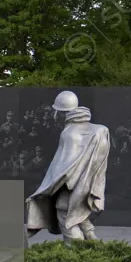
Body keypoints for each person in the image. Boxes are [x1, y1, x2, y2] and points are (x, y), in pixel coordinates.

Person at [25, 91, 109, 244]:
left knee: (64, 212)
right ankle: (91, 238)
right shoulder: (99, 130)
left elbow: (63, 165)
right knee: (77, 210)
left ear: (61, 112)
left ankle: (75, 251)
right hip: (88, 186)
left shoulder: (69, 132)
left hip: (71, 185)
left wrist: (47, 188)